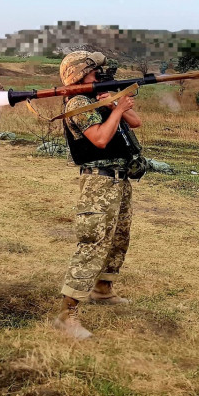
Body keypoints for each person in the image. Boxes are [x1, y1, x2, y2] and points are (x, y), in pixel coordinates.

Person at [54, 48, 143, 340]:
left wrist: (118, 104)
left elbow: (136, 122)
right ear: (80, 74)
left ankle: (103, 290)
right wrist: (115, 108)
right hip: (98, 183)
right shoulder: (78, 103)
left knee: (119, 236)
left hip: (119, 180)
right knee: (93, 243)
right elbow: (101, 139)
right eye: (95, 72)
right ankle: (67, 315)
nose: (100, 77)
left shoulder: (95, 99)